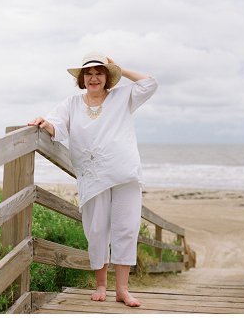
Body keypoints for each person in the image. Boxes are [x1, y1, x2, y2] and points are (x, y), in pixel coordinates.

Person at [29, 52, 157, 308]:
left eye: (100, 72)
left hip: (125, 174)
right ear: (82, 78)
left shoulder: (123, 97)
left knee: (126, 229)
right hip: (93, 177)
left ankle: (122, 289)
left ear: (108, 76)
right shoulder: (72, 104)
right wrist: (45, 124)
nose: (94, 77)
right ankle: (101, 285)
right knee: (96, 230)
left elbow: (150, 83)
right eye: (89, 73)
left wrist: (118, 66)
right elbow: (57, 126)